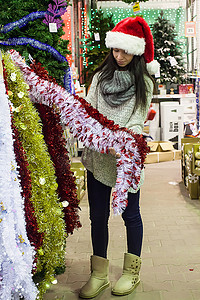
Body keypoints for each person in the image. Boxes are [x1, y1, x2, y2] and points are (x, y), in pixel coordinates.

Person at [79, 16, 159, 299]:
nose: (120, 56)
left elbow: (137, 121)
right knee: (97, 217)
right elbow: (88, 113)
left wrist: (123, 141)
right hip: (98, 158)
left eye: (125, 51)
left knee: (130, 215)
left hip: (126, 161)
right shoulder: (100, 78)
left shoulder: (144, 83)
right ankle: (98, 273)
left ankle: (131, 273)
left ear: (136, 51)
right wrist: (98, 137)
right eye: (116, 50)